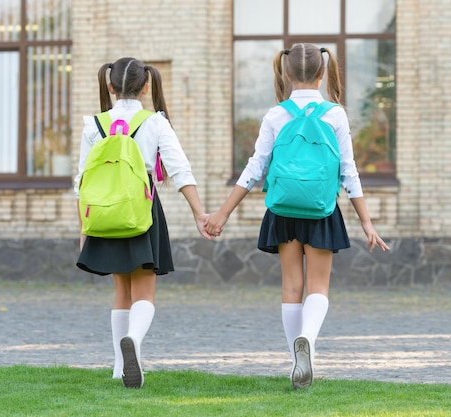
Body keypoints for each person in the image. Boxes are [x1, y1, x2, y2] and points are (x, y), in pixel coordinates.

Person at [204, 43, 390, 389]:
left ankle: (296, 360)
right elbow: (349, 172)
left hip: (283, 210)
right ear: (323, 73)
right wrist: (366, 222)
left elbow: (255, 168)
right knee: (318, 287)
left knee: (292, 287)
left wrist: (222, 213)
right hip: (321, 209)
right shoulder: (335, 114)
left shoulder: (276, 115)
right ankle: (308, 341)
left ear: (286, 73)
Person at [74, 57, 211, 389]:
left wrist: (83, 228)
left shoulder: (94, 124)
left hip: (106, 214)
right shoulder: (155, 123)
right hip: (142, 211)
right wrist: (199, 214)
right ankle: (133, 340)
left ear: (109, 86)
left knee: (121, 292)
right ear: (146, 86)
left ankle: (119, 367)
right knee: (144, 292)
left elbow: (81, 182)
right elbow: (180, 170)